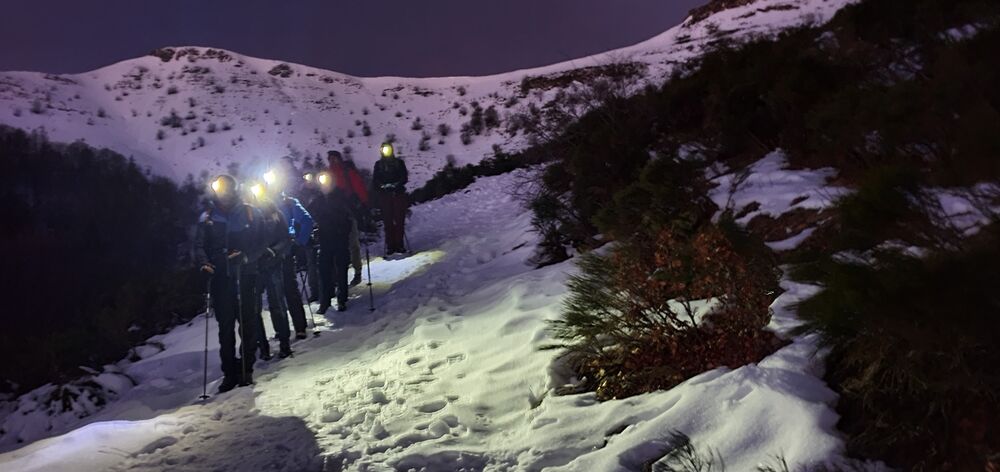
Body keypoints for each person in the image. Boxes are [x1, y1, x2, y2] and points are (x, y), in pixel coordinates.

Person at [195, 174, 264, 393]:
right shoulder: (207, 217)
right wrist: (204, 263)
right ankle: (229, 373)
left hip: (245, 276)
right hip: (221, 278)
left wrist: (246, 257)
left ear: (233, 189)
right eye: (219, 188)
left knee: (248, 323)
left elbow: (261, 242)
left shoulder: (250, 212)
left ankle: (246, 368)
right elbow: (199, 245)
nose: (222, 192)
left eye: (226, 188)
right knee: (225, 327)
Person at [247, 181, 294, 360]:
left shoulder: (275, 214)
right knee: (254, 309)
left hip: (272, 264)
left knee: (277, 304)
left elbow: (285, 238)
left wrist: (274, 251)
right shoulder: (247, 215)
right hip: (254, 267)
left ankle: (284, 343)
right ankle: (263, 347)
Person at [307, 169, 355, 314]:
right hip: (325, 238)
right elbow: (309, 214)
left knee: (341, 268)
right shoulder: (318, 200)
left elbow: (350, 214)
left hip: (340, 237)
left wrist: (346, 229)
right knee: (323, 270)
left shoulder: (341, 196)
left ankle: (342, 299)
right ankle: (325, 300)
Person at [372, 142, 409, 255]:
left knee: (399, 220)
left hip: (397, 194)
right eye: (384, 149)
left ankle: (399, 244)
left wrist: (395, 185)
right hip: (385, 196)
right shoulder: (378, 165)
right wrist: (383, 186)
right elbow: (375, 180)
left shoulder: (399, 163)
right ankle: (390, 245)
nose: (386, 152)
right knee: (388, 221)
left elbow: (404, 177)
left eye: (388, 149)